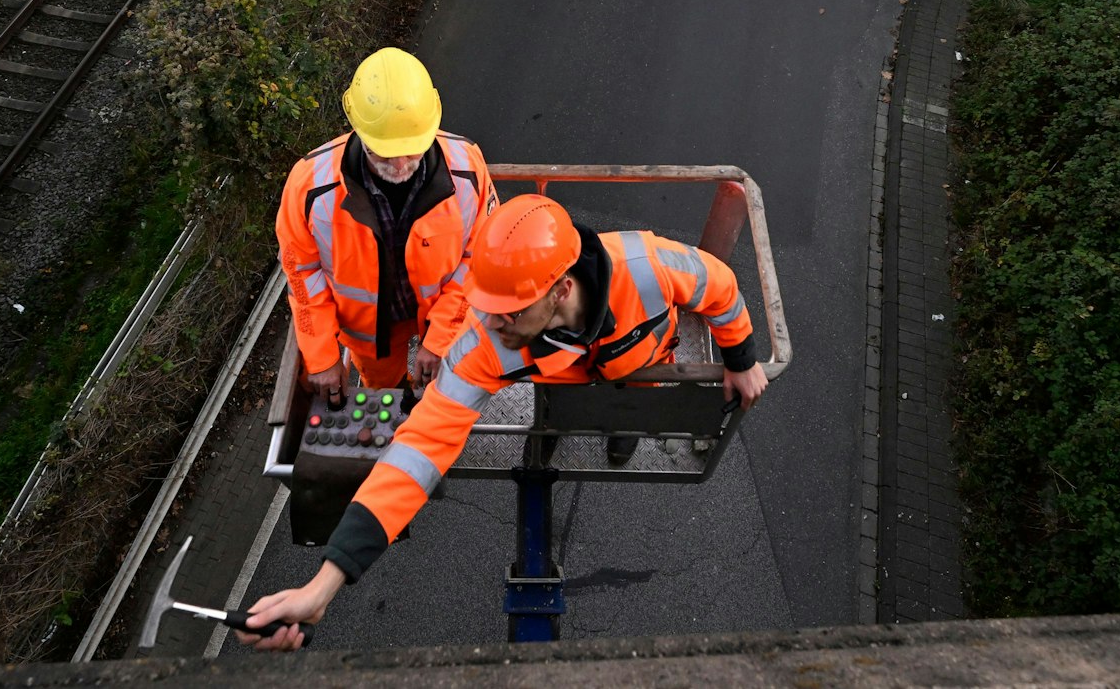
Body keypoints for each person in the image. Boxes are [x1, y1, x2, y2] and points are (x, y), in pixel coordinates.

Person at [238, 194, 773, 649]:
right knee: (559, 413)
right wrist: (326, 582)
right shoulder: (488, 342)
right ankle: (578, 422)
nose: (492, 324)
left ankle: (622, 430)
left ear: (562, 289)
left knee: (626, 409)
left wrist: (742, 358)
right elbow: (418, 448)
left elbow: (720, 289)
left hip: (642, 365)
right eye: (486, 307)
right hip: (563, 383)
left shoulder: (650, 268)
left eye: (509, 312)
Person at [276, 48, 498, 400]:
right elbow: (302, 274)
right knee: (386, 391)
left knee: (447, 382)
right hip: (370, 334)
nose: (398, 164)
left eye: (411, 149)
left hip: (442, 312)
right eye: (383, 151)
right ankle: (399, 398)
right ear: (357, 129)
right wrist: (321, 357)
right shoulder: (308, 187)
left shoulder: (468, 168)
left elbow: (479, 259)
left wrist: (442, 337)